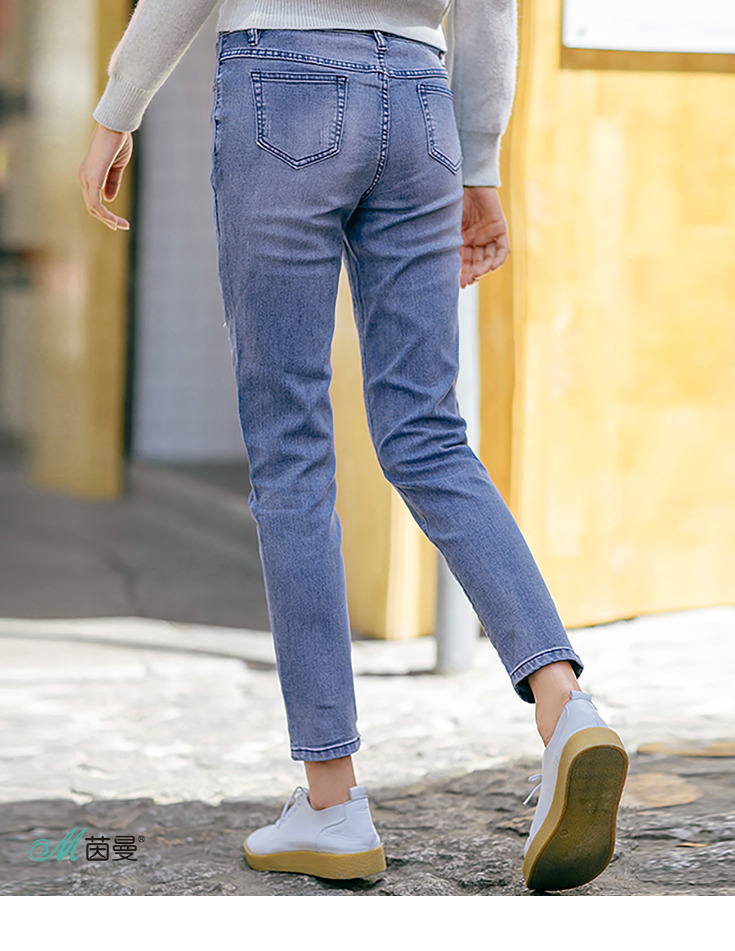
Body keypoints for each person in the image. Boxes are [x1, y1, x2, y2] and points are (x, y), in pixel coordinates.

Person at [78, 0, 628, 892]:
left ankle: (332, 804)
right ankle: (565, 704)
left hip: (281, 83)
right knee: (429, 433)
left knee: (290, 448)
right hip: (420, 100)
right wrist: (479, 162)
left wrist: (118, 107)